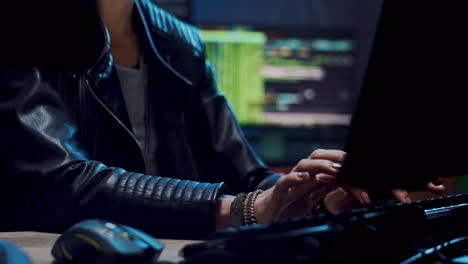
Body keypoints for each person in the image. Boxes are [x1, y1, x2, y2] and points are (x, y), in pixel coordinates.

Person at [0, 0, 443, 239]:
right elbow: (56, 182)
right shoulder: (22, 19)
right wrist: (244, 209)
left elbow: (248, 178)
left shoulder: (179, 41)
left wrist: (318, 197)